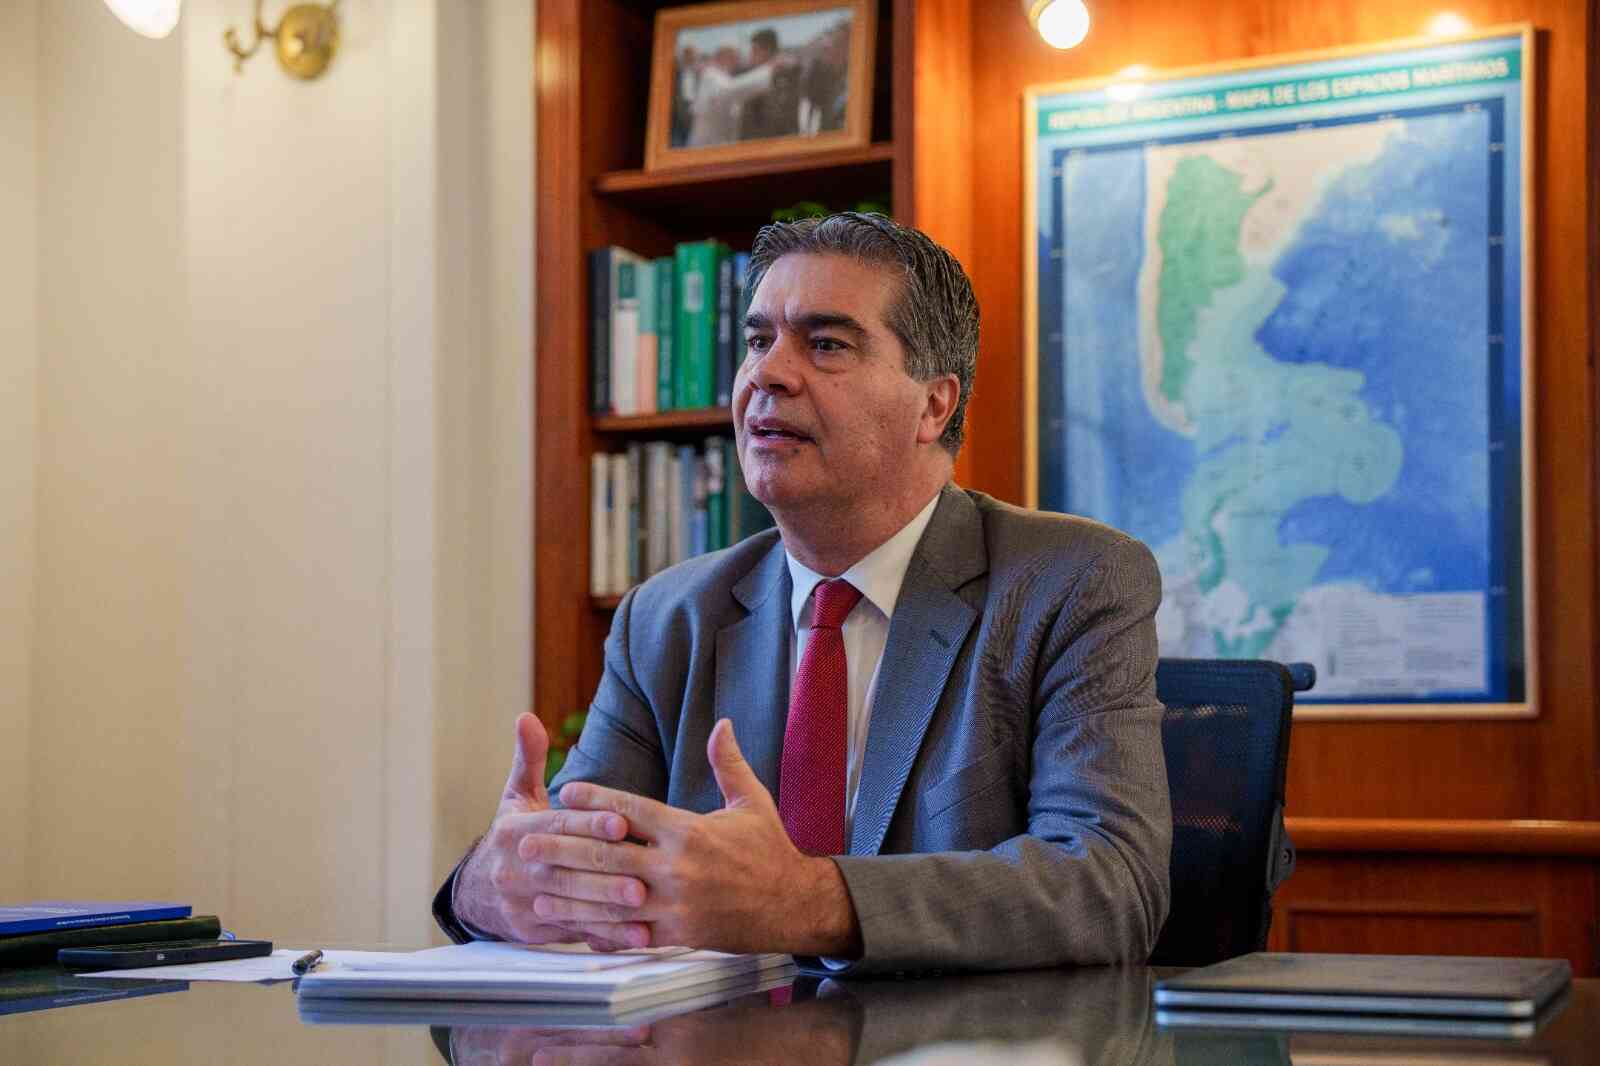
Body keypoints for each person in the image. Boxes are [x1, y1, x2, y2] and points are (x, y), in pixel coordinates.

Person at [434, 213, 1172, 974]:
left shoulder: (1069, 583)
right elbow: (571, 857)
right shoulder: (668, 618)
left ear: (934, 406)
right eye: (758, 341)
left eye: (826, 344)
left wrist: (806, 901)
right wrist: (489, 888)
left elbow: (1110, 885)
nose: (769, 374)